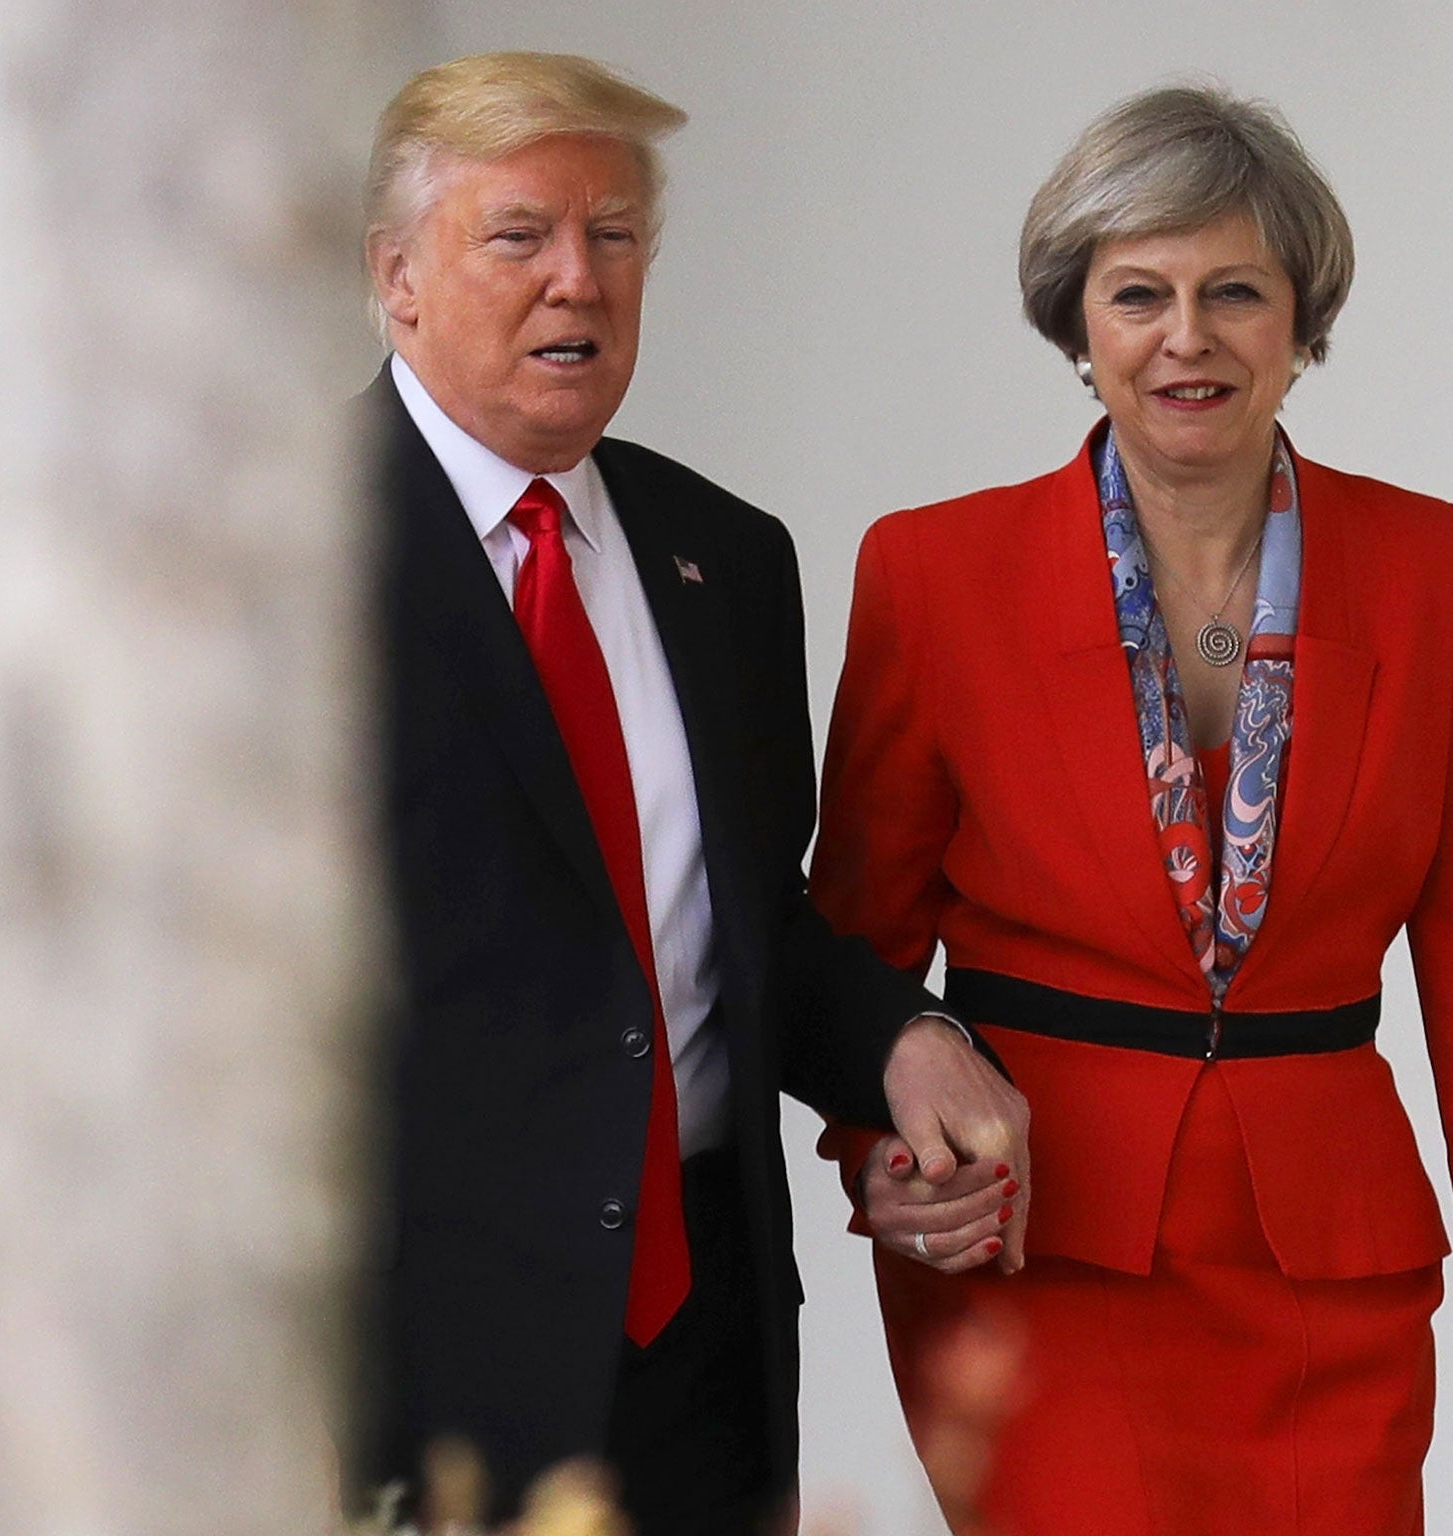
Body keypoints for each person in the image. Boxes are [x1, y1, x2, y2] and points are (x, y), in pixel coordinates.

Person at [811, 84, 1453, 1536]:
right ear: (1078, 326)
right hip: (1041, 1265)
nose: (1185, 336)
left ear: (1301, 323)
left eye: (1235, 292)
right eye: (1138, 294)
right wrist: (883, 1161)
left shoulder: (1440, 571)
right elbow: (849, 963)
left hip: (1334, 1281)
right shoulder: (931, 576)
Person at [354, 52, 1028, 1536]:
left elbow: (744, 927)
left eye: (614, 239)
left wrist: (901, 1039)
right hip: (416, 1374)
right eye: (519, 236)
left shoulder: (723, 556)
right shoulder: (285, 558)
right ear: (397, 277)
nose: (577, 285)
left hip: (702, 1361)